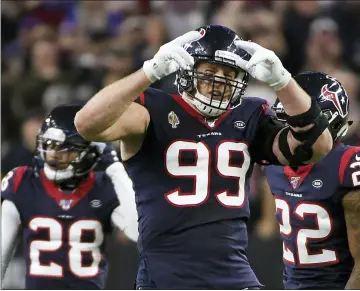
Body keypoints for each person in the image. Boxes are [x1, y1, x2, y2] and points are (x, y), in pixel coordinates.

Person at [74, 25, 333, 289]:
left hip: (234, 275)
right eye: (209, 72)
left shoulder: (249, 114)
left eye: (228, 74)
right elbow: (86, 124)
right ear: (187, 71)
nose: (219, 82)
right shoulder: (154, 110)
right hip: (166, 278)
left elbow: (318, 148)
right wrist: (148, 71)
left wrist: (283, 82)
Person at [1, 104, 138, 289]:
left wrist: (115, 168)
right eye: (49, 146)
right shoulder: (23, 182)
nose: (53, 156)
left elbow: (138, 230)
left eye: (65, 150)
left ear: (87, 151)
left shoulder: (104, 185)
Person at [263, 71, 360, 289]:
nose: (290, 132)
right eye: (286, 121)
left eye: (301, 125)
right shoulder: (274, 164)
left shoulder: (350, 164)